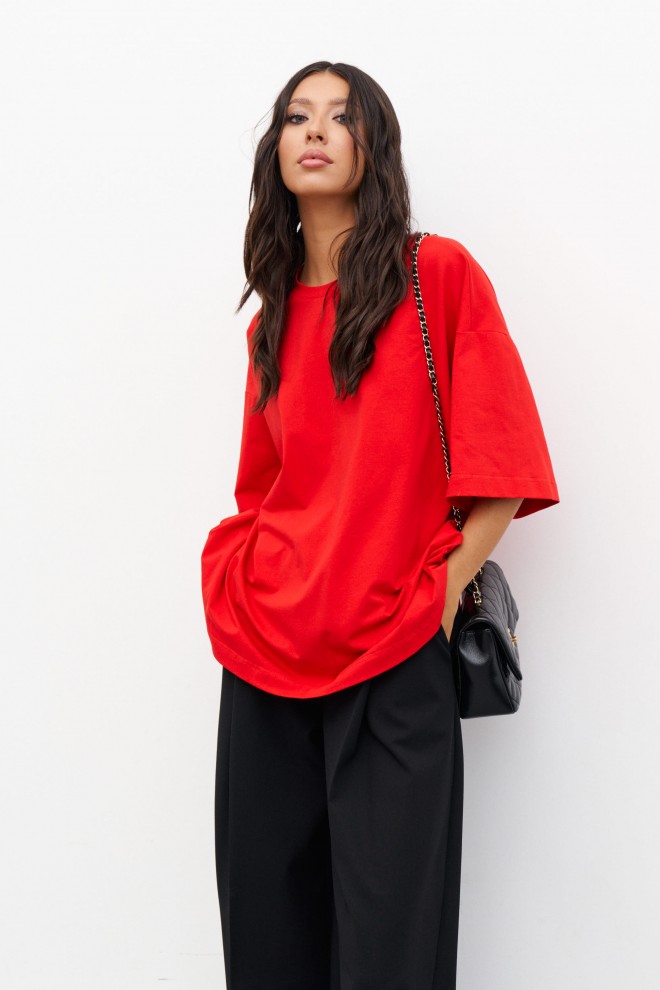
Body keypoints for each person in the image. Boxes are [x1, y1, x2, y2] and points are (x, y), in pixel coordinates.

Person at [201, 60, 559, 990]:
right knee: (267, 941)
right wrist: (241, 578)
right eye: (296, 117)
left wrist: (438, 595)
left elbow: (505, 470)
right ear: (277, 149)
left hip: (395, 651)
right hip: (266, 653)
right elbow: (262, 490)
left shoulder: (436, 276)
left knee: (392, 951)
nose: (315, 131)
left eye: (340, 116)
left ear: (374, 145)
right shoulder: (271, 322)